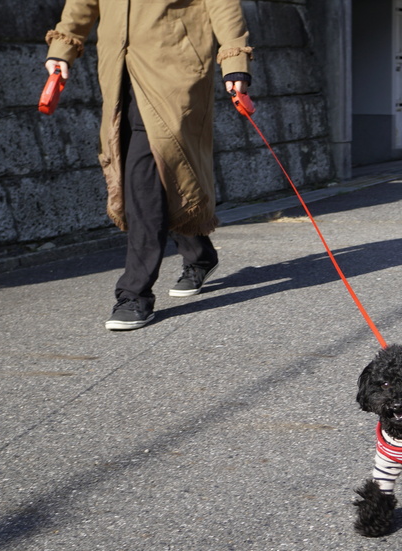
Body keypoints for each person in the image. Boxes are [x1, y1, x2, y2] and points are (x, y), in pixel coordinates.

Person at [44, 1, 253, 330]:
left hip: (175, 70)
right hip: (118, 72)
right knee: (152, 171)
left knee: (145, 177)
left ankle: (135, 293)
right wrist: (64, 44)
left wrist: (234, 58)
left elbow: (223, 3)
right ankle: (199, 253)